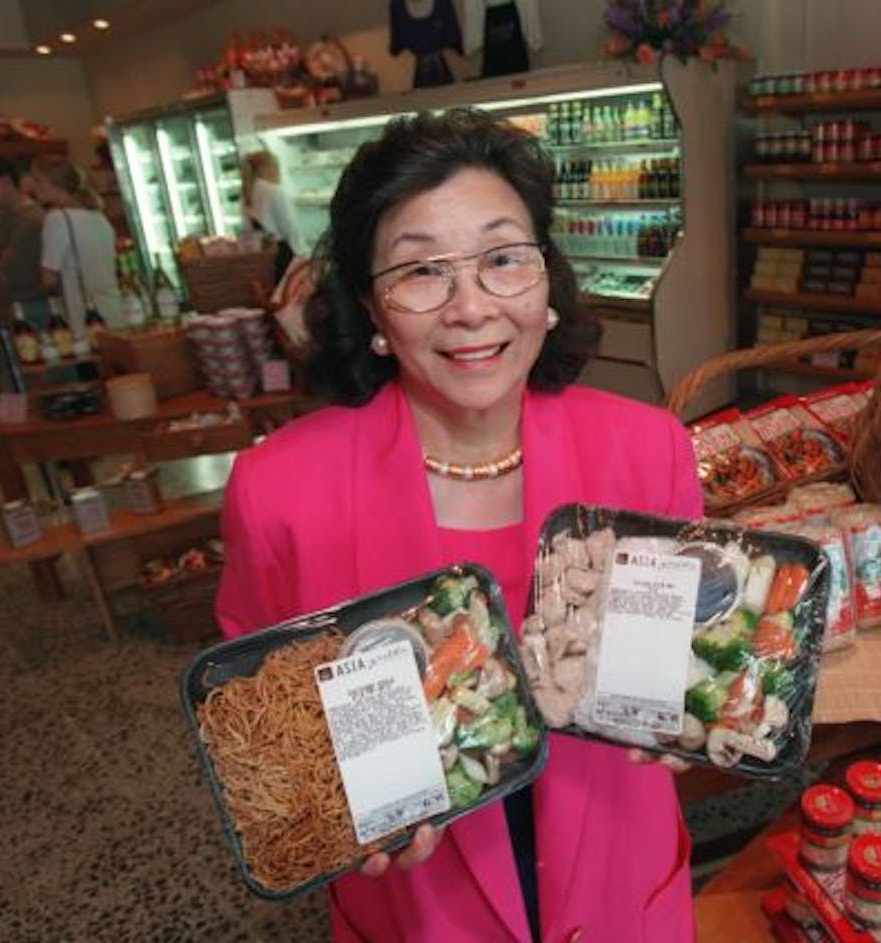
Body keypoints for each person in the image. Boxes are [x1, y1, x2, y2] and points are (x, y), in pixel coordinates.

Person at [215, 108, 700, 942]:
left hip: (621, 883)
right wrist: (330, 806)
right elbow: (261, 731)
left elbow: (682, 656)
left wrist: (695, 706)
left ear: (547, 281)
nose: (471, 307)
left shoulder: (646, 447)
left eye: (503, 258)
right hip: (416, 906)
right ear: (371, 308)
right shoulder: (280, 489)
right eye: (421, 272)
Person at [27, 154, 122, 336]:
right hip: (112, 307)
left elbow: (49, 277)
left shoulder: (58, 219)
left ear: (55, 184)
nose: (33, 186)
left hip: (82, 315)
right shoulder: (98, 217)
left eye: (38, 180)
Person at [0, 156, 48, 323]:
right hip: (8, 303)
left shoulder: (32, 220)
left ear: (5, 181)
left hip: (33, 304)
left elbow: (11, 271)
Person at [240, 150, 306, 280]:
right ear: (267, 169)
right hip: (283, 257)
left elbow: (246, 229)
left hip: (263, 257)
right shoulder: (274, 191)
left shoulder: (246, 193)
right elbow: (290, 227)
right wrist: (303, 255)